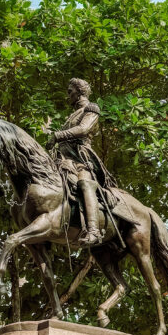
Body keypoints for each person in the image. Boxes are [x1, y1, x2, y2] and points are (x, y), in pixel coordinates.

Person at [44, 78, 117, 245]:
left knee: (84, 183)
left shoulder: (91, 109)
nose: (68, 95)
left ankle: (93, 230)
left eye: (70, 91)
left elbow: (83, 129)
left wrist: (57, 135)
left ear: (80, 91)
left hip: (80, 158)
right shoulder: (70, 116)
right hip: (63, 159)